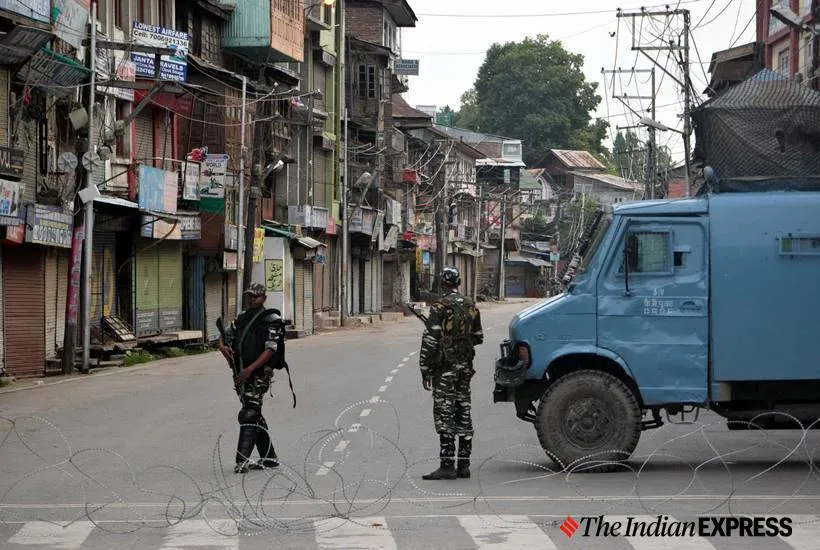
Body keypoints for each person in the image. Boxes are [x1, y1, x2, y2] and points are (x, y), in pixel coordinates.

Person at [418, 266, 484, 480]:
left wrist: (425, 370)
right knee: (463, 409)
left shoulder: (439, 307)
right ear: (459, 282)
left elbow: (430, 341)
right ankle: (464, 466)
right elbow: (478, 336)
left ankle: (447, 466)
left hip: (445, 369)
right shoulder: (471, 305)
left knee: (444, 413)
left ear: (443, 283)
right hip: (464, 368)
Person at [218, 282, 286, 474]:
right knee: (253, 412)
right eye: (249, 296)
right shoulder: (241, 318)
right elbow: (223, 336)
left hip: (258, 373)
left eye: (255, 296)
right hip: (240, 372)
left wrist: (250, 369)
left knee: (248, 412)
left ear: (264, 298)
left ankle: (242, 459)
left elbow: (270, 350)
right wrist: (223, 348)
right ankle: (269, 458)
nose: (251, 299)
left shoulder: (272, 320)